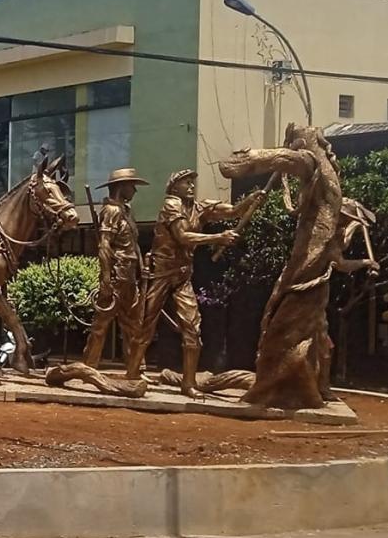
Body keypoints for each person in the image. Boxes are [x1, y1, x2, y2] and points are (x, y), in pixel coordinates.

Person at [130, 169, 265, 396]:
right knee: (146, 324)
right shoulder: (171, 205)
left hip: (182, 275)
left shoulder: (199, 207)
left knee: (192, 328)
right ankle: (132, 374)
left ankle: (188, 383)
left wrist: (249, 201)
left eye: (193, 183)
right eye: (186, 183)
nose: (191, 187)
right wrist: (217, 238)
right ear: (174, 187)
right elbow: (183, 237)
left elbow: (230, 212)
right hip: (160, 273)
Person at [81, 167, 148, 374]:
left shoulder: (126, 211)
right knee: (102, 322)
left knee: (133, 323)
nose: (135, 191)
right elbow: (104, 245)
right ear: (121, 187)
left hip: (129, 274)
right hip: (117, 274)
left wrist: (142, 266)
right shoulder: (111, 211)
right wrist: (106, 278)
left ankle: (135, 367)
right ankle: (89, 366)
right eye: (131, 186)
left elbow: (133, 244)